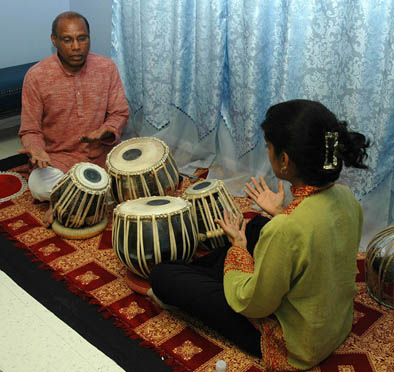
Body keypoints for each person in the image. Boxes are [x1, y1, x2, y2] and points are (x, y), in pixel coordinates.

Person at [149, 99, 370, 370]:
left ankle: (204, 274)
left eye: (268, 147)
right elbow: (316, 238)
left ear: (285, 160)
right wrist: (278, 213)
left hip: (295, 342)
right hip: (335, 324)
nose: (267, 153)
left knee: (163, 276)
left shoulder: (286, 229)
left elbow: (255, 305)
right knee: (256, 226)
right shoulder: (346, 197)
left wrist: (238, 250)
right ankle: (210, 273)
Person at [18, 11, 129, 225]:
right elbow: (30, 129)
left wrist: (106, 130)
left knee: (136, 169)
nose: (76, 46)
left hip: (101, 156)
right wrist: (36, 149)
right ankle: (89, 196)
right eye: (67, 40)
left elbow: (120, 112)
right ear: (55, 40)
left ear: (89, 37)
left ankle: (68, 200)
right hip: (59, 160)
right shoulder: (36, 76)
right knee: (38, 185)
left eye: (82, 38)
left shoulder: (107, 68)